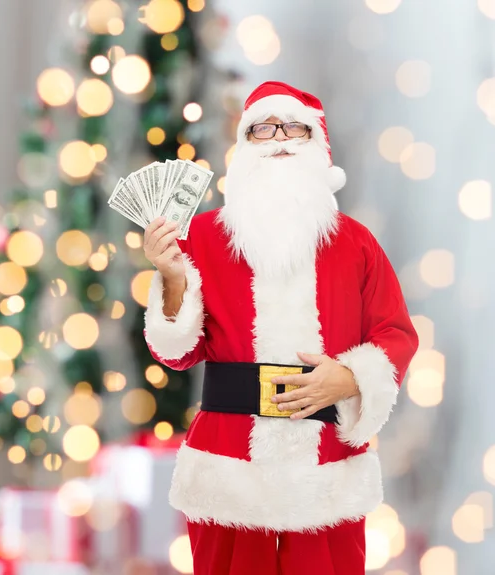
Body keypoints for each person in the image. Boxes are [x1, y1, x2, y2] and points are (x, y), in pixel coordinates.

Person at [142, 81, 419, 575]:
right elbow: (177, 352)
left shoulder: (356, 244)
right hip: (229, 468)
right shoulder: (201, 237)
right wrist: (170, 279)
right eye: (262, 129)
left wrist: (351, 378)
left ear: (318, 146)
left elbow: (395, 333)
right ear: (243, 148)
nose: (280, 139)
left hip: (324, 468)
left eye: (294, 127)